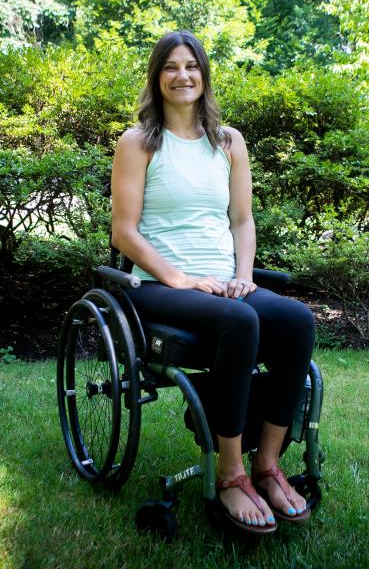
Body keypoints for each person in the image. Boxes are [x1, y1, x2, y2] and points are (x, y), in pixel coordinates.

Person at [110, 31, 315, 534]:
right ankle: (230, 472)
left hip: (224, 283)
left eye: (191, 66)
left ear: (204, 74)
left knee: (296, 319)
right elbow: (124, 232)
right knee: (240, 322)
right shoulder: (138, 143)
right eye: (171, 67)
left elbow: (242, 222)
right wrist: (181, 279)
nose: (183, 76)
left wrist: (243, 276)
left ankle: (267, 465)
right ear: (157, 78)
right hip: (162, 287)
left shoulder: (228, 142)